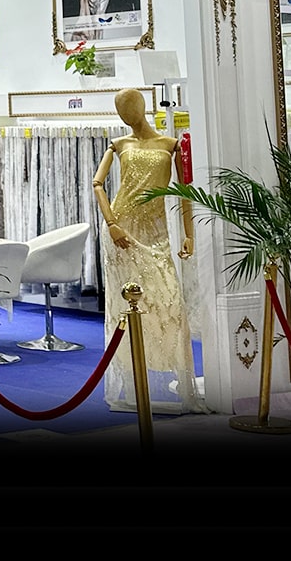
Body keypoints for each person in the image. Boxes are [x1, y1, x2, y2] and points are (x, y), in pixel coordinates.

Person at [91, 88, 208, 414]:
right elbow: (97, 184)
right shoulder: (118, 145)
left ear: (142, 107)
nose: (125, 115)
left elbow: (184, 192)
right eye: (120, 110)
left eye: (129, 107)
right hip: (122, 230)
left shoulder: (171, 145)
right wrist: (111, 224)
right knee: (125, 305)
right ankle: (133, 386)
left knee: (167, 299)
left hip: (156, 232)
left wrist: (189, 234)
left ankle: (176, 383)